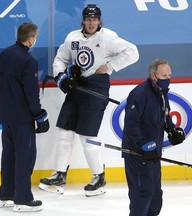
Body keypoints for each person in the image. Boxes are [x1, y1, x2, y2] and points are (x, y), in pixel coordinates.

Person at [38, 4, 139, 197]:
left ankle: (99, 177)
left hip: (96, 87)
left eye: (95, 19)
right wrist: (61, 78)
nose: (91, 22)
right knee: (64, 131)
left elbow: (133, 52)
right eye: (88, 19)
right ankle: (59, 174)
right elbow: (60, 58)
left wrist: (110, 65)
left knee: (87, 136)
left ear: (99, 20)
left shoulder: (108, 37)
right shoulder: (72, 37)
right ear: (83, 20)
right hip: (77, 86)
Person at [0, 22, 50, 212]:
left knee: (9, 155)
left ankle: (7, 195)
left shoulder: (4, 54)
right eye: (35, 37)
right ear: (31, 38)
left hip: (7, 116)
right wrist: (40, 116)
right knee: (25, 156)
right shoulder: (28, 61)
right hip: (22, 119)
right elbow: (31, 93)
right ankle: (22, 199)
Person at [121, 59, 186, 215]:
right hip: (137, 155)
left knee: (156, 197)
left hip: (153, 155)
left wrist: (172, 129)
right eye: (164, 76)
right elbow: (131, 124)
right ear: (153, 75)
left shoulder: (162, 93)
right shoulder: (139, 94)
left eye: (169, 75)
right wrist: (144, 144)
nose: (168, 79)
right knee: (142, 196)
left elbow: (164, 114)